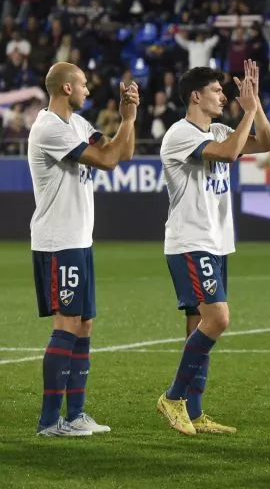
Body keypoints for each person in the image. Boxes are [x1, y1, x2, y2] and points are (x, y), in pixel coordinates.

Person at [155, 61, 270, 435]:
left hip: (216, 242)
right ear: (196, 96)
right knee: (218, 318)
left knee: (199, 323)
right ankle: (173, 398)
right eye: (217, 91)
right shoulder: (179, 134)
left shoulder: (222, 129)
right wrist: (248, 112)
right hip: (191, 242)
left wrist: (256, 105)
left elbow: (267, 144)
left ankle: (194, 411)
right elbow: (225, 154)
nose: (224, 96)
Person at [29, 61, 139, 436]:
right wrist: (124, 121)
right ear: (65, 89)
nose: (88, 90)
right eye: (83, 84)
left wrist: (130, 116)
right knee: (67, 323)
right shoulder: (49, 128)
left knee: (84, 322)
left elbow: (120, 152)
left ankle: (75, 415)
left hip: (79, 238)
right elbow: (108, 160)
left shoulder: (77, 124)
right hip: (59, 240)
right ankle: (49, 422)